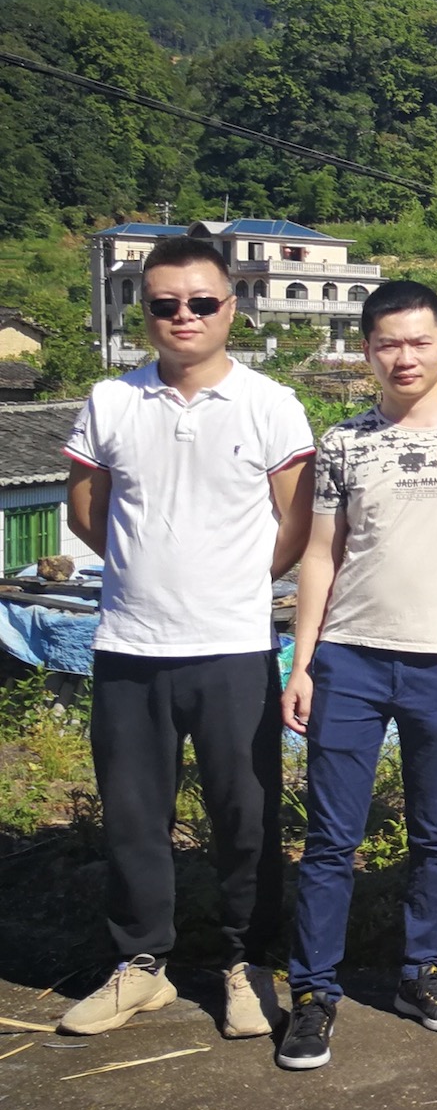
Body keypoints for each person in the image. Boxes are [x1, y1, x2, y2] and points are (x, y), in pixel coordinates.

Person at [59, 235, 314, 1041]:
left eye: (201, 302)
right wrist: (144, 567)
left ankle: (245, 963)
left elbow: (296, 524)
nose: (184, 316)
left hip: (233, 645)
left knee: (247, 817)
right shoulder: (111, 400)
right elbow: (85, 510)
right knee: (133, 817)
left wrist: (230, 582)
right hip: (130, 645)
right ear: (145, 312)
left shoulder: (270, 403)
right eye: (165, 303)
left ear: (232, 307)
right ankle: (141, 966)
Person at [274, 282, 437, 1071]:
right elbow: (321, 555)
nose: (405, 357)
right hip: (348, 658)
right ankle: (313, 992)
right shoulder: (343, 440)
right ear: (366, 350)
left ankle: (422, 972)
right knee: (330, 838)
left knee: (436, 834)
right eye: (388, 343)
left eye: (420, 341)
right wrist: (303, 661)